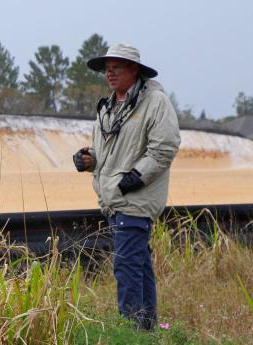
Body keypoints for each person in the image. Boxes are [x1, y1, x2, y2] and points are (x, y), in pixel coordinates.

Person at [72, 43, 180, 330]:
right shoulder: (108, 107)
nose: (110, 73)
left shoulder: (155, 102)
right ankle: (146, 333)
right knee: (139, 267)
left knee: (126, 267)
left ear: (134, 69)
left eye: (117, 67)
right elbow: (103, 153)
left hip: (136, 201)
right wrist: (87, 160)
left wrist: (136, 177)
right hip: (114, 200)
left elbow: (165, 148)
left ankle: (133, 336)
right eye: (107, 69)